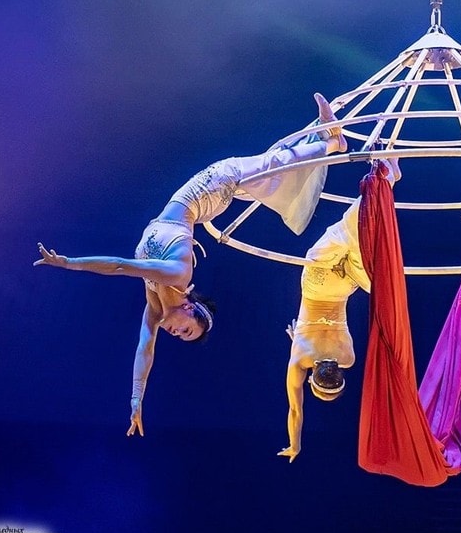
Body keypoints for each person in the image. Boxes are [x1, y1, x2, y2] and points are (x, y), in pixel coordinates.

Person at [34, 93, 347, 438]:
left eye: (181, 335)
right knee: (271, 166)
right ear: (189, 306)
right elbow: (121, 266)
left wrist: (137, 400)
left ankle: (325, 137)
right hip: (210, 188)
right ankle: (330, 141)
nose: (176, 333)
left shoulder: (155, 308)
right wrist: (69, 263)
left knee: (274, 173)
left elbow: (144, 351)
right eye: (187, 329)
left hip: (204, 204)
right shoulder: (177, 275)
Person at [277, 159, 399, 463]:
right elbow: (295, 409)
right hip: (317, 282)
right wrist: (295, 444)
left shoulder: (347, 358)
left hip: (347, 285)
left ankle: (385, 180)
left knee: (361, 235)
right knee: (349, 230)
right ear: (312, 379)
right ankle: (383, 178)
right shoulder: (300, 358)